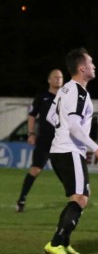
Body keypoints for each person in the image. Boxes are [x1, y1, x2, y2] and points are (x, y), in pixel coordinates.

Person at [43, 48, 98, 254]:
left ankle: (63, 242)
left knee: (76, 197)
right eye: (91, 63)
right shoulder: (80, 92)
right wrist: (95, 148)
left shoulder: (64, 90)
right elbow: (73, 126)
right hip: (69, 151)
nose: (94, 66)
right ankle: (55, 243)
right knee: (81, 198)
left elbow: (51, 116)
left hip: (59, 150)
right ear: (82, 68)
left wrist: (62, 131)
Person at [15, 68, 64, 212]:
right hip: (44, 141)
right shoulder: (42, 96)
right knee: (35, 170)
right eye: (55, 77)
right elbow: (32, 116)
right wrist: (31, 133)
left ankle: (77, 199)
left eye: (60, 77)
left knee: (65, 173)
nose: (58, 79)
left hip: (61, 142)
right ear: (49, 80)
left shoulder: (66, 97)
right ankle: (22, 199)